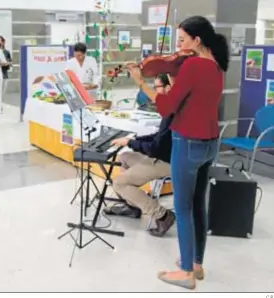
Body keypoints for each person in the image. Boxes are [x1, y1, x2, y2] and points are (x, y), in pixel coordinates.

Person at [126, 15, 229, 289]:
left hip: (188, 142)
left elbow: (166, 107)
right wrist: (173, 75)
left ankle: (186, 273)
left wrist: (140, 82)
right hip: (210, 143)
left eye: (182, 39)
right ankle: (196, 263)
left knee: (182, 209)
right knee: (198, 205)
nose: (179, 46)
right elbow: (191, 100)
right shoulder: (216, 66)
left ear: (197, 40)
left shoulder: (193, 65)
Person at [107, 74, 174, 237]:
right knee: (124, 158)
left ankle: (162, 215)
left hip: (165, 162)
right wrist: (134, 139)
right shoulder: (169, 110)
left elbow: (155, 148)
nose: (154, 92)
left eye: (156, 87)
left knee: (119, 184)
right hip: (158, 156)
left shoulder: (173, 111)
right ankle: (133, 207)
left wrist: (130, 143)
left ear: (168, 88)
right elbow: (158, 136)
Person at [0, 35, 12, 114]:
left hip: (4, 74)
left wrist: (3, 64)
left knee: (2, 92)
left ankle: (0, 106)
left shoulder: (6, 52)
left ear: (3, 42)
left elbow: (9, 62)